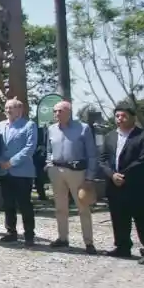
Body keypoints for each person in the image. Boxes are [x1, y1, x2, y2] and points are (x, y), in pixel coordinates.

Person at [99, 104, 144, 264]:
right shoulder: (110, 136)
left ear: (133, 117)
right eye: (117, 116)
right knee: (119, 218)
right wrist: (112, 175)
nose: (120, 119)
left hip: (138, 186)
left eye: (124, 115)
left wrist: (123, 175)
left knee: (143, 219)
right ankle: (122, 246)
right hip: (115, 185)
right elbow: (103, 160)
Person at [45, 100, 99, 254]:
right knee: (60, 207)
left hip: (77, 172)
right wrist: (48, 164)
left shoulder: (83, 128)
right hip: (56, 170)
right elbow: (49, 149)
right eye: (55, 111)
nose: (56, 114)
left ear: (69, 112)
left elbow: (92, 154)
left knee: (83, 207)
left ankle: (88, 242)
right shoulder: (51, 129)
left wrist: (90, 177)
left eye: (60, 111)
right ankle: (63, 238)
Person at [0, 99, 37, 247]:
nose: (7, 110)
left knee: (24, 204)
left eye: (11, 108)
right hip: (4, 171)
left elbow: (30, 147)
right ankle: (11, 232)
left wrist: (11, 162)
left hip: (22, 172)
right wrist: (0, 161)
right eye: (6, 107)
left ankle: (29, 234)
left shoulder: (29, 125)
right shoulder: (0, 125)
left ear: (20, 109)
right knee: (8, 204)